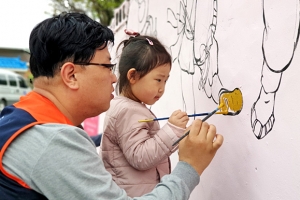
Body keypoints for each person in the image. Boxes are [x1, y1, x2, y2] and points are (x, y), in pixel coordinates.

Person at [0, 12, 223, 199]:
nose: (115, 79)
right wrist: (190, 166)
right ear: (71, 75)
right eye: (107, 66)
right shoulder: (54, 142)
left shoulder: (19, 117)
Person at [101, 30, 189, 197]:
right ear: (133, 76)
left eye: (165, 80)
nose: (162, 88)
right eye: (158, 79)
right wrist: (172, 130)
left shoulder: (128, 106)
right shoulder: (127, 111)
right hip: (136, 195)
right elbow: (140, 157)